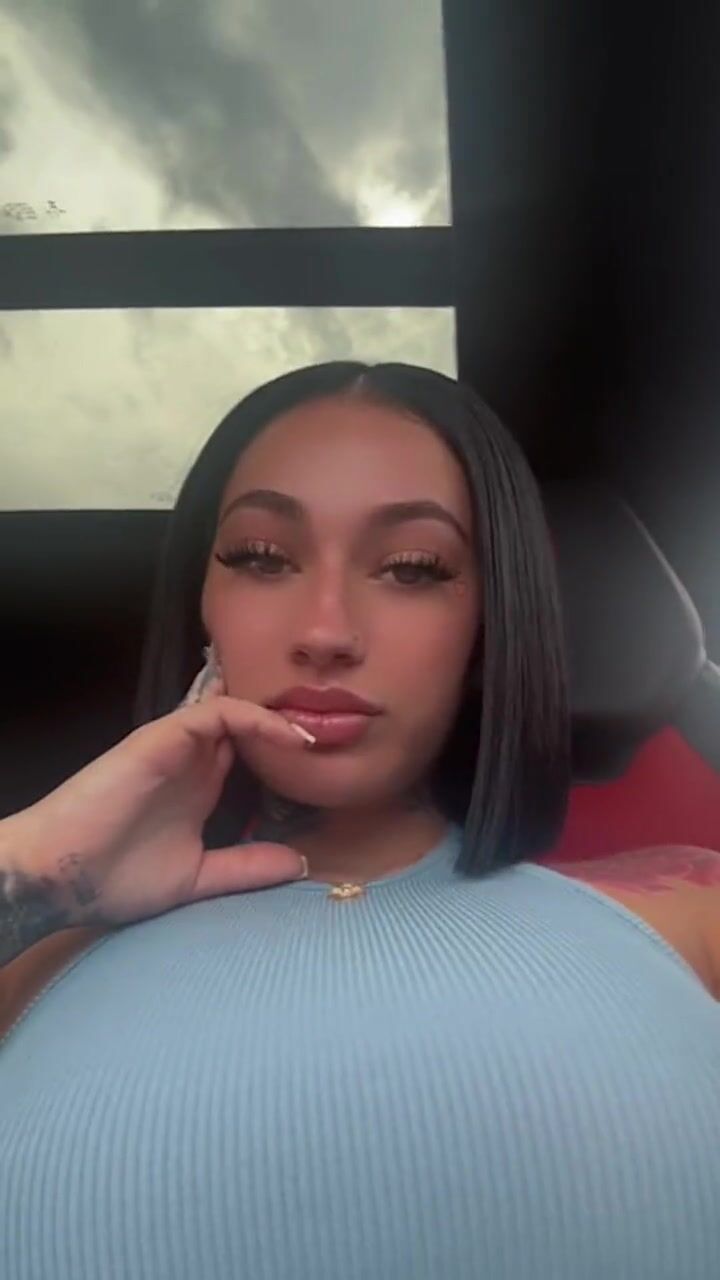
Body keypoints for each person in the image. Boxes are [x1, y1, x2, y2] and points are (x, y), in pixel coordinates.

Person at [0, 361, 719, 1280]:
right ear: (203, 606)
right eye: (263, 558)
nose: (326, 631)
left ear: (489, 622)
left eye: (412, 569)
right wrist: (39, 869)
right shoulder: (35, 949)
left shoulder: (689, 915)